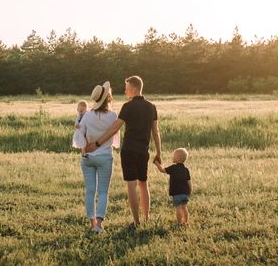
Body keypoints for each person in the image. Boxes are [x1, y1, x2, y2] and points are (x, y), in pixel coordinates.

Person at [85, 75, 162, 226]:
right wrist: (159, 152)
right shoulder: (151, 107)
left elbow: (114, 128)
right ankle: (147, 219)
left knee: (131, 185)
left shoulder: (128, 106)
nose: (125, 91)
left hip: (129, 151)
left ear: (133, 89)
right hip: (143, 151)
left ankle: (136, 221)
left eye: (126, 88)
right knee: (143, 184)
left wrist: (98, 143)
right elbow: (156, 131)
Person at [73, 81, 120, 233]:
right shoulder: (113, 115)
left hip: (88, 157)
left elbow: (81, 136)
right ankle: (99, 225)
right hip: (105, 157)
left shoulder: (86, 116)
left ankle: (92, 224)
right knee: (103, 192)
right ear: (108, 98)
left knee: (90, 191)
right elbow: (115, 137)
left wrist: (84, 151)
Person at [153, 148, 192, 224]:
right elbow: (189, 181)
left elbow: (162, 170)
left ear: (177, 158)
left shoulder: (173, 168)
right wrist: (190, 190)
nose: (172, 157)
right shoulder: (186, 170)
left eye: (174, 155)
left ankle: (179, 223)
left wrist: (156, 163)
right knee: (184, 207)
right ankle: (186, 222)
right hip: (185, 193)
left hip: (177, 193)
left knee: (178, 208)